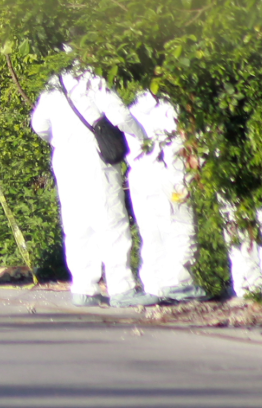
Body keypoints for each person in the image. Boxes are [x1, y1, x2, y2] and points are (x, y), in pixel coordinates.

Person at [31, 64, 161, 307]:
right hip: (94, 157)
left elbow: (39, 125)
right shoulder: (92, 80)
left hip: (64, 159)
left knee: (77, 223)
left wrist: (60, 139)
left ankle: (84, 288)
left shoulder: (54, 83)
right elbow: (121, 116)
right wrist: (143, 139)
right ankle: (121, 287)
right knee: (111, 221)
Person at [124, 92, 208, 302]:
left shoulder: (132, 108)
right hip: (169, 174)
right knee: (181, 227)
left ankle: (155, 286)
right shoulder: (171, 108)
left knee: (152, 234)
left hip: (138, 176)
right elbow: (181, 145)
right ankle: (179, 284)